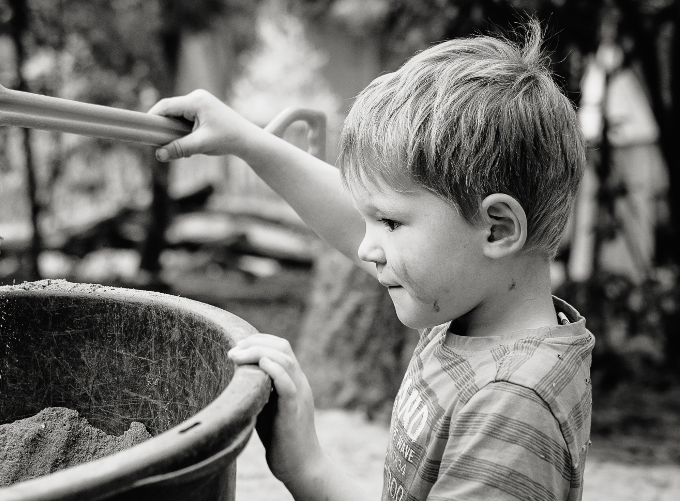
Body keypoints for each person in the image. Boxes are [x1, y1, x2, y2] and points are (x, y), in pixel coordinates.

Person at [149, 20, 594, 501]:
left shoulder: (510, 405)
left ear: (497, 228)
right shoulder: (474, 306)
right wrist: (247, 141)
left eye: (390, 224)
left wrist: (310, 468)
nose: (364, 247)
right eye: (372, 221)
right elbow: (357, 216)